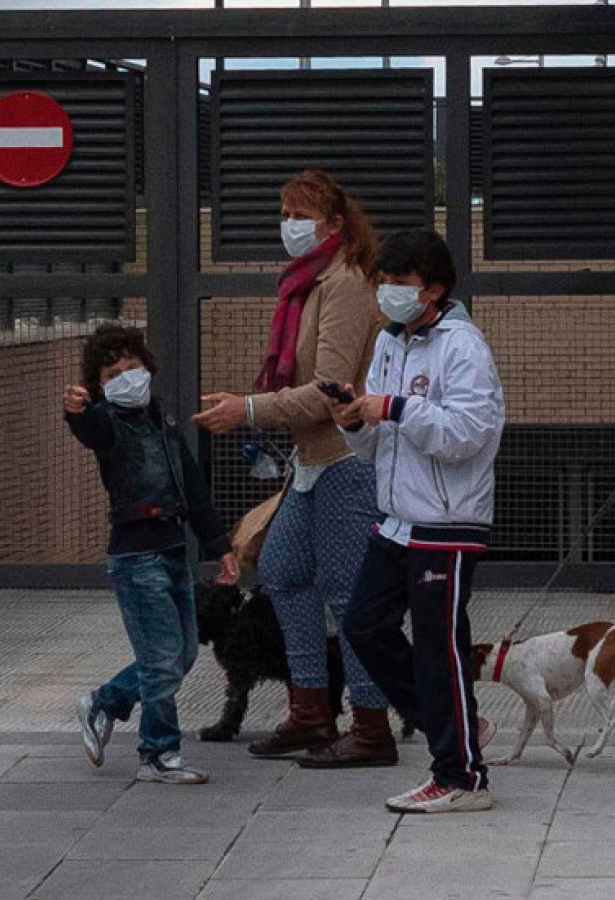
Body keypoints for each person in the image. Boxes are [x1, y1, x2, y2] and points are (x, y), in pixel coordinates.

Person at [193, 170, 396, 767]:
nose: (289, 225)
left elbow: (329, 391)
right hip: (309, 463)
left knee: (345, 592)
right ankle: (310, 714)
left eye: (301, 214)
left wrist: (247, 409)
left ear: (335, 225)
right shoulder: (303, 285)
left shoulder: (347, 286)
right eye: (284, 211)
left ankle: (370, 723)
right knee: (280, 571)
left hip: (346, 461)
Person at [332, 229, 504, 813]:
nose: (388, 293)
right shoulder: (389, 343)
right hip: (397, 516)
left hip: (447, 521)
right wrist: (354, 421)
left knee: (439, 648)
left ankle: (461, 777)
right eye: (382, 282)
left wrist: (399, 407)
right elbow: (375, 446)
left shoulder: (463, 346)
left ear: (432, 289)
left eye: (399, 284)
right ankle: (455, 722)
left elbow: (469, 434)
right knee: (362, 624)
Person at [66, 324, 240, 785]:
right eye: (113, 373)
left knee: (179, 655)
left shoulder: (162, 425)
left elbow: (194, 490)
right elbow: (92, 429)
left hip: (172, 550)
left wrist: (220, 546)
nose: (127, 377)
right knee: (162, 660)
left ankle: (105, 701)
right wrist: (78, 412)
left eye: (132, 367)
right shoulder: (111, 425)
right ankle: (158, 753)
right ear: (100, 385)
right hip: (136, 557)